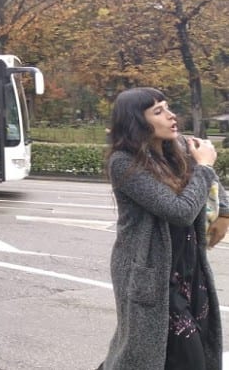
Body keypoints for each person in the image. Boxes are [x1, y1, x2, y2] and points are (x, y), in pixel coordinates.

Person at [100, 87, 229, 370]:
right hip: (151, 274)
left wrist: (225, 213)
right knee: (175, 356)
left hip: (188, 268)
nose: (171, 116)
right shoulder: (123, 162)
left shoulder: (179, 149)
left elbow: (215, 186)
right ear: (137, 122)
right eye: (158, 112)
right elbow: (179, 211)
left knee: (192, 352)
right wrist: (204, 167)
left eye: (168, 107)